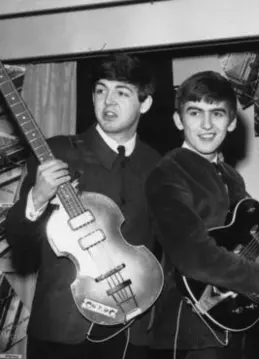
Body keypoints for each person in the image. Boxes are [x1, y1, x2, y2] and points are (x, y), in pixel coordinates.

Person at [145, 71, 259, 359]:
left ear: (232, 121)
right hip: (192, 331)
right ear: (178, 120)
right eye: (195, 113)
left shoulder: (231, 177)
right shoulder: (169, 173)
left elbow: (243, 244)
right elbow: (195, 257)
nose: (206, 125)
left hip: (237, 322)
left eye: (217, 113)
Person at [4, 54, 161, 359]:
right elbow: (19, 241)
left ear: (145, 104)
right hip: (62, 331)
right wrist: (37, 198)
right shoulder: (56, 152)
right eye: (101, 90)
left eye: (122, 92)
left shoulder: (159, 166)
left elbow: (173, 247)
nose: (108, 102)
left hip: (134, 330)